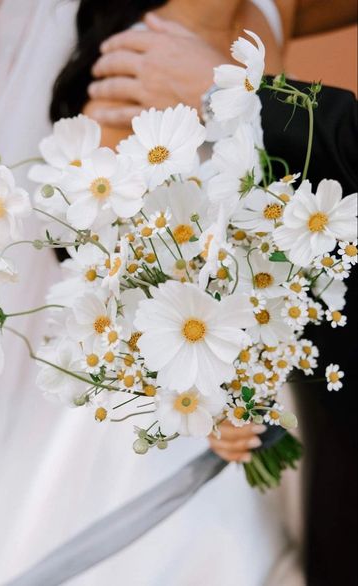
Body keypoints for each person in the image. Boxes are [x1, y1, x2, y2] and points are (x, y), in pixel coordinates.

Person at [0, 1, 319, 585]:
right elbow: (100, 268)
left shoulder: (270, 10)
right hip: (167, 402)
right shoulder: (138, 56)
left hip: (262, 379)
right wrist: (200, 397)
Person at [87, 10, 358, 585]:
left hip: (296, 358)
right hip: (183, 379)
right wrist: (192, 386)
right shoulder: (143, 43)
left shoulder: (278, 10)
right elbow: (93, 249)